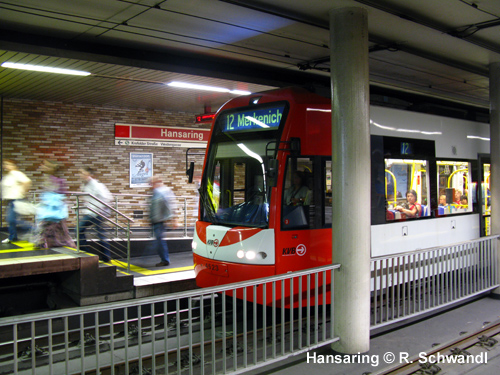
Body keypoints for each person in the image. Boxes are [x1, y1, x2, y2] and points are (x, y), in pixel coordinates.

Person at [35, 160, 75, 249]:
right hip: (49, 211)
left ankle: (71, 248)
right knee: (51, 230)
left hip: (56, 212)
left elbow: (62, 196)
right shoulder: (48, 179)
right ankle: (44, 243)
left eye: (47, 166)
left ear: (53, 168)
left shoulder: (58, 181)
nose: (44, 167)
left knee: (61, 233)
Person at [78, 167, 112, 262]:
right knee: (100, 234)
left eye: (83, 173)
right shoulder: (84, 185)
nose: (81, 175)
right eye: (81, 173)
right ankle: (105, 256)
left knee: (80, 229)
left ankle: (87, 253)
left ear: (89, 175)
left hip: (96, 213)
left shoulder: (96, 185)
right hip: (91, 212)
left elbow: (106, 198)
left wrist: (98, 209)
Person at [149, 176, 177, 267]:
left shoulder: (163, 192)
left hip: (160, 221)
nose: (151, 186)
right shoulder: (156, 192)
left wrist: (173, 219)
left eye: (152, 183)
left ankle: (165, 260)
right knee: (158, 241)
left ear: (157, 182)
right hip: (155, 220)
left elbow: (171, 206)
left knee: (159, 242)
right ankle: (164, 259)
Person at [1, 160, 32, 243]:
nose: (6, 166)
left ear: (14, 165)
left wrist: (23, 192)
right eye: (5, 164)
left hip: (17, 200)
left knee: (11, 219)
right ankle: (13, 236)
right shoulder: (8, 176)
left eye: (8, 164)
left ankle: (34, 229)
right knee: (10, 219)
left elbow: (27, 181)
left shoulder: (16, 173)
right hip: (11, 201)